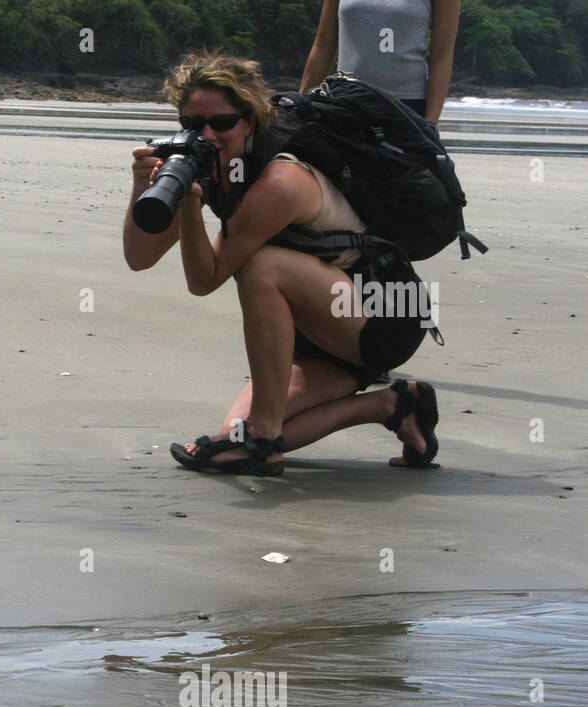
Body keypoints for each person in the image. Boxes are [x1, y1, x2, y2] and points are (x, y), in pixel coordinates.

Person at [123, 53, 439, 476]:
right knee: (233, 436)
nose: (207, 136)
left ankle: (264, 438)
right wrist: (141, 187)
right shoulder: (215, 165)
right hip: (317, 329)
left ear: (250, 120)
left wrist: (192, 207)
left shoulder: (281, 181)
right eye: (193, 124)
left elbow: (205, 279)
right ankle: (395, 404)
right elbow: (139, 258)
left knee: (262, 267)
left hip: (381, 313)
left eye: (221, 123)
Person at [300, 0, 461, 126]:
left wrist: (431, 122)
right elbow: (323, 47)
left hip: (407, 109)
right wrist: (299, 109)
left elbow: (441, 56)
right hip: (345, 104)